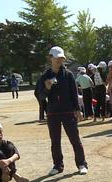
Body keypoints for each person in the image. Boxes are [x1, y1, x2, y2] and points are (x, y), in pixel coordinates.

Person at [36, 46, 88, 175]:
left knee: (75, 139)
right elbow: (41, 96)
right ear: (50, 58)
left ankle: (81, 164)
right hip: (53, 112)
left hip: (68, 111)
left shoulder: (68, 74)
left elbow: (74, 93)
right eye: (57, 58)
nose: (60, 60)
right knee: (55, 141)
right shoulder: (45, 76)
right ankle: (57, 165)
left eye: (61, 58)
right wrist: (47, 88)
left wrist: (77, 109)